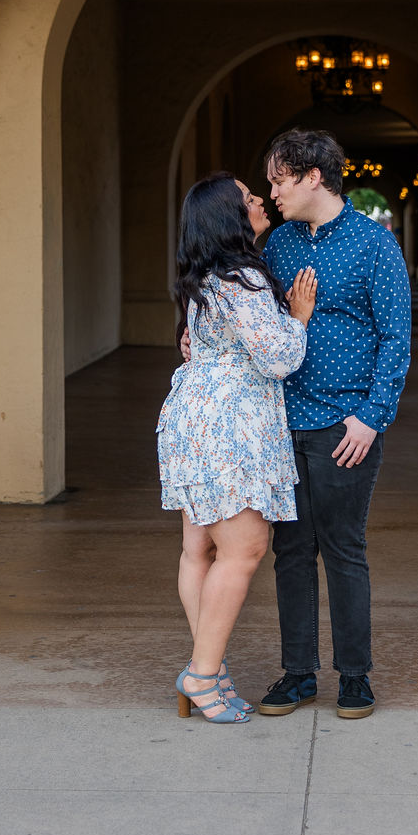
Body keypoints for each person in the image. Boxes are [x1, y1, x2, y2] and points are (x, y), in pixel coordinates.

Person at [258, 128, 411, 721]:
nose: (272, 192)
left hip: (345, 427)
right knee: (291, 551)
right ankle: (297, 674)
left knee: (344, 549)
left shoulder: (375, 245)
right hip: (281, 423)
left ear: (312, 177)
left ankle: (354, 676)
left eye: (279, 179)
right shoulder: (277, 247)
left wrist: (371, 419)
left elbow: (395, 338)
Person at [158, 171, 317, 724]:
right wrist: (297, 319)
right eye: (250, 197)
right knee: (244, 549)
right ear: (232, 216)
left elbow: (199, 344)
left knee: (198, 550)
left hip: (194, 422)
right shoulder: (243, 277)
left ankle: (209, 669)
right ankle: (202, 675)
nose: (261, 201)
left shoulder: (203, 278)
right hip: (232, 429)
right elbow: (277, 359)